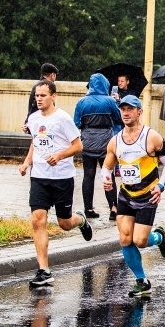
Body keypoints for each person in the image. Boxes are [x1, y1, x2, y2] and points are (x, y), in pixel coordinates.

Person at [19, 79, 93, 287]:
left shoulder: (63, 119)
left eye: (43, 95)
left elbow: (78, 146)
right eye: (36, 96)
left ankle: (81, 220)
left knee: (64, 223)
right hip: (40, 177)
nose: (39, 99)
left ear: (53, 96)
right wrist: (26, 163)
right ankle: (44, 270)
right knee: (37, 220)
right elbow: (35, 142)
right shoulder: (33, 119)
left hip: (62, 177)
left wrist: (59, 156)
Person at [102, 95, 165, 297]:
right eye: (122, 109)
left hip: (148, 195)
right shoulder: (115, 141)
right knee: (125, 239)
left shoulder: (152, 137)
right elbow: (106, 167)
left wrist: (161, 186)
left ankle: (159, 237)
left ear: (139, 112)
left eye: (130, 109)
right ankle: (142, 281)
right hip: (126, 194)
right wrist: (106, 178)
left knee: (140, 241)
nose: (125, 113)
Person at [73, 73, 123, 220]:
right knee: (108, 173)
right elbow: (118, 119)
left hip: (87, 141)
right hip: (106, 142)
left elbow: (76, 123)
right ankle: (113, 208)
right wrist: (117, 102)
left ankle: (88, 208)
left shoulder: (82, 102)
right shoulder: (110, 101)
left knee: (88, 175)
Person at [23, 63, 58, 134]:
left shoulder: (37, 85)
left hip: (36, 122)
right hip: (41, 124)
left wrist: (27, 121)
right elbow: (35, 106)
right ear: (52, 75)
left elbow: (32, 106)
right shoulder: (46, 87)